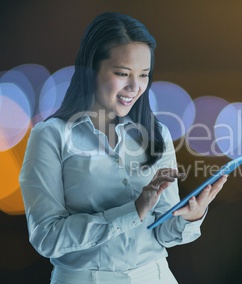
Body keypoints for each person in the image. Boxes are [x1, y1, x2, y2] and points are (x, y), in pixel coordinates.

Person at [19, 12, 227, 284]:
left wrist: (191, 216)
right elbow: (47, 238)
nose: (135, 87)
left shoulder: (156, 133)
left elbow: (163, 233)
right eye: (122, 73)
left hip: (156, 275)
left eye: (143, 75)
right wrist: (132, 211)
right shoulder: (51, 136)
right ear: (91, 68)